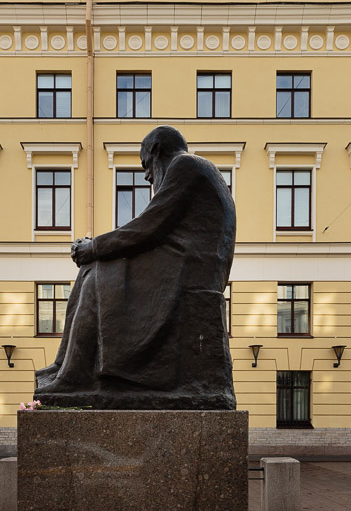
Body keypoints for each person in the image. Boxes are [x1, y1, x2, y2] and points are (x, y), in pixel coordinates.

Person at [35, 125, 237, 409]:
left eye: (145, 164)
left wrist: (94, 247)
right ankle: (65, 368)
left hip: (190, 268)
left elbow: (149, 226)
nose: (146, 174)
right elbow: (152, 227)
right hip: (187, 261)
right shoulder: (195, 168)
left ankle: (75, 375)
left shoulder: (185, 165)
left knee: (98, 272)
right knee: (93, 269)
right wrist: (97, 249)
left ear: (155, 151)